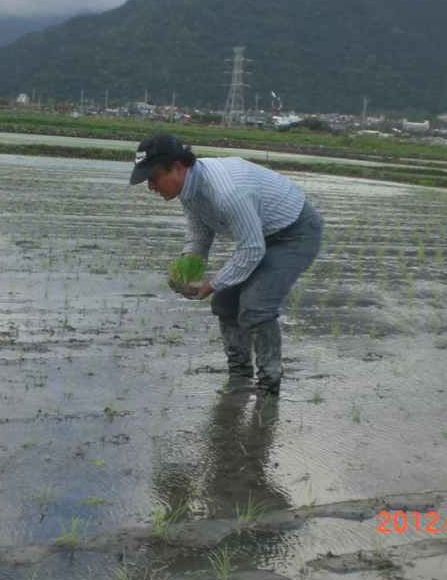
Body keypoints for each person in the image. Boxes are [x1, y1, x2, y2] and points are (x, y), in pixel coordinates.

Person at [129, 131, 324, 396]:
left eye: (153, 178)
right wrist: (186, 265)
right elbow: (199, 232)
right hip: (262, 235)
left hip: (295, 233)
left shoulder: (227, 191)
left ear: (177, 167)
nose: (151, 187)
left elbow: (252, 248)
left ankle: (269, 387)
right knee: (225, 303)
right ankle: (240, 378)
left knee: (257, 305)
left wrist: (213, 283)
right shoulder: (188, 188)